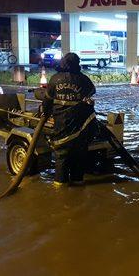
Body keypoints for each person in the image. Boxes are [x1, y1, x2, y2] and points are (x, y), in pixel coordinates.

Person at [43, 53, 97, 186]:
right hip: (80, 127)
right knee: (79, 157)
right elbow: (91, 93)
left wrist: (45, 114)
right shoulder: (84, 79)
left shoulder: (55, 79)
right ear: (77, 64)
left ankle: (60, 191)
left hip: (61, 126)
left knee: (61, 157)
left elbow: (47, 102)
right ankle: (78, 184)